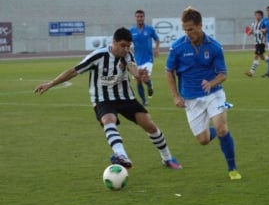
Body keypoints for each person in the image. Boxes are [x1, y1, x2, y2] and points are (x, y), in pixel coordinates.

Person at [34, 27, 182, 170]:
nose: (125, 49)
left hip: (125, 97)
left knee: (149, 125)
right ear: (114, 42)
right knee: (108, 120)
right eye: (123, 46)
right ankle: (121, 155)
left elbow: (132, 68)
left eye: (128, 46)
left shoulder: (127, 55)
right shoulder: (98, 56)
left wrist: (139, 74)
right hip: (102, 98)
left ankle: (167, 158)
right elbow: (74, 71)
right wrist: (51, 83)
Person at [165, 7, 242, 180]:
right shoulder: (177, 47)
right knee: (203, 140)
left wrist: (211, 83)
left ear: (200, 26)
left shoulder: (214, 47)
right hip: (191, 99)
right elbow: (168, 71)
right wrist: (176, 96)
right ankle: (214, 129)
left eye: (190, 29)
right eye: (185, 29)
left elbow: (223, 74)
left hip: (213, 94)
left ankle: (232, 169)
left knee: (222, 129)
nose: (187, 33)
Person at [130, 10, 160, 105]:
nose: (140, 18)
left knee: (144, 78)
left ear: (144, 17)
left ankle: (149, 84)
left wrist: (156, 49)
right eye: (138, 16)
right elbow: (127, 42)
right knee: (138, 80)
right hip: (136, 60)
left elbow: (157, 39)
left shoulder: (150, 29)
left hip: (148, 59)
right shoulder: (132, 31)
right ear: (135, 18)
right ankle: (144, 101)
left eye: (141, 16)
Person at [245, 10, 269, 77]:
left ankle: (251, 72)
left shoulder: (264, 23)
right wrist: (249, 32)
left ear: (261, 16)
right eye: (256, 15)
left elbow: (267, 30)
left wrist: (264, 30)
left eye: (259, 15)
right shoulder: (253, 23)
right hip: (256, 43)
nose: (257, 16)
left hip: (261, 42)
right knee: (262, 57)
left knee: (256, 56)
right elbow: (251, 31)